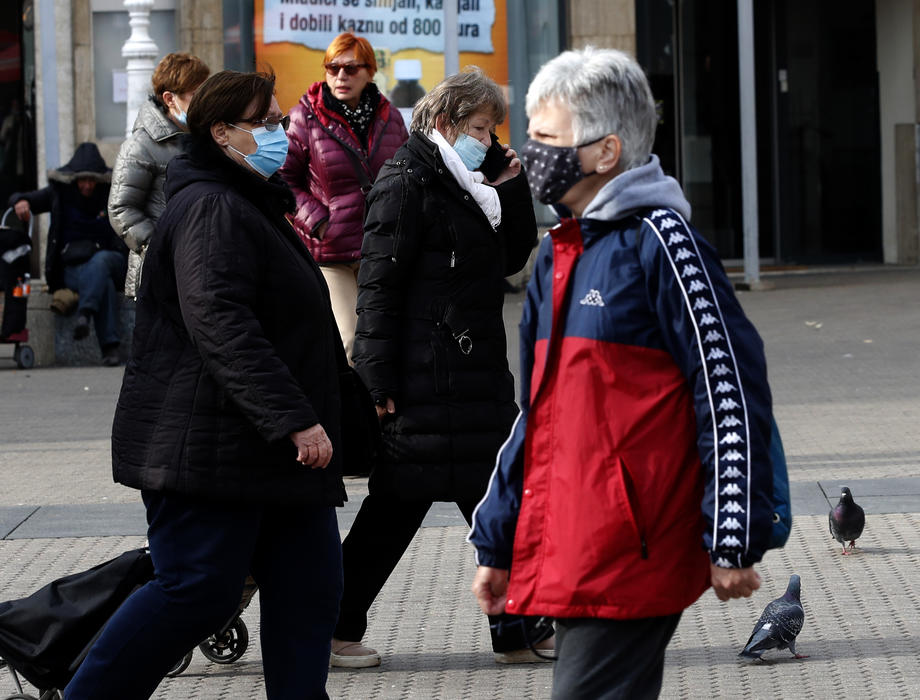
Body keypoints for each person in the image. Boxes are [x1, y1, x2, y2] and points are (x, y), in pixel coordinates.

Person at [468, 48, 775, 699]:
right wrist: (499, 538)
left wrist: (731, 534)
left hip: (632, 545)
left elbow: (728, 393)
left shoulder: (665, 243)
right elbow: (538, 415)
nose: (529, 152)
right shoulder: (560, 254)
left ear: (605, 152)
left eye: (547, 138)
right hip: (574, 538)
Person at [63, 70, 346, 700]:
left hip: (268, 452)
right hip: (210, 444)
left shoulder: (250, 200)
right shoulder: (212, 207)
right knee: (197, 590)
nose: (282, 133)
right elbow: (220, 321)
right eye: (267, 124)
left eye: (281, 120)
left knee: (310, 588)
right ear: (222, 133)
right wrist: (293, 417)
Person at [332, 67, 552, 669]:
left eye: (491, 128)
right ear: (445, 122)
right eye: (479, 127)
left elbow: (509, 259)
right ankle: (332, 627)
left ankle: (518, 627)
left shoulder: (470, 185)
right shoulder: (407, 183)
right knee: (396, 512)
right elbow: (376, 290)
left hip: (471, 379)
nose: (487, 138)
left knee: (494, 499)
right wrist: (375, 380)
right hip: (423, 383)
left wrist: (508, 185)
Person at [281, 32, 408, 363]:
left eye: (350, 69)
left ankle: (380, 412)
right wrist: (319, 221)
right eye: (332, 67)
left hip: (380, 246)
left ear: (369, 71)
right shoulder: (304, 116)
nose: (340, 76)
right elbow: (283, 179)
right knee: (351, 343)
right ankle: (355, 414)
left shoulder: (390, 117)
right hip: (332, 253)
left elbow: (405, 173)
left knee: (386, 340)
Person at [8, 142, 128, 366]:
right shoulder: (60, 194)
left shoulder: (111, 193)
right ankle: (111, 348)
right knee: (105, 285)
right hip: (74, 268)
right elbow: (23, 198)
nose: (87, 185)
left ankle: (85, 313)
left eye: (92, 180)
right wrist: (20, 202)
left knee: (101, 262)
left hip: (111, 258)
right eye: (83, 180)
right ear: (74, 179)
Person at [108, 52, 210, 298]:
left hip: (203, 265)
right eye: (197, 95)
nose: (205, 101)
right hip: (162, 275)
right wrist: (159, 248)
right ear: (170, 99)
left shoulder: (206, 137)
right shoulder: (140, 146)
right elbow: (121, 209)